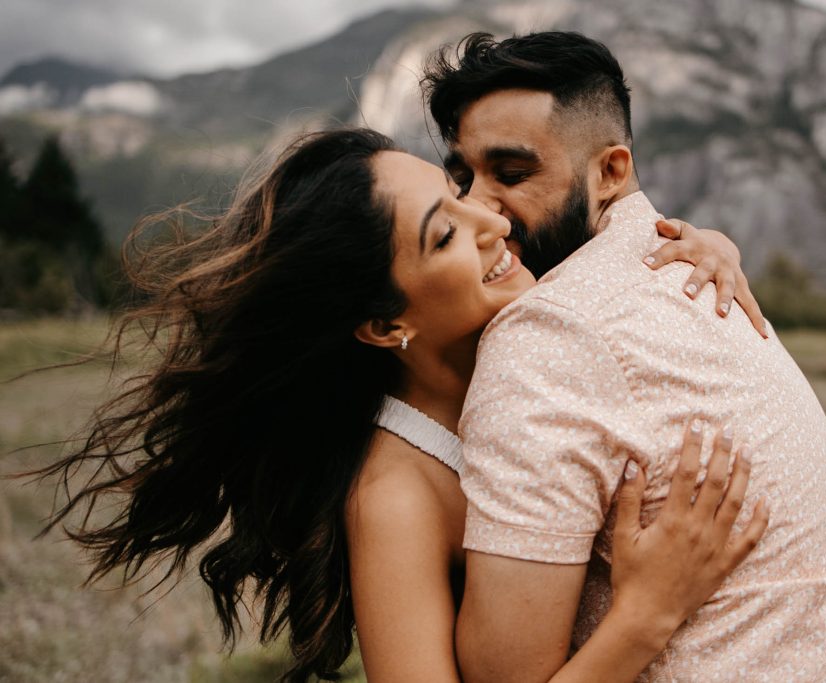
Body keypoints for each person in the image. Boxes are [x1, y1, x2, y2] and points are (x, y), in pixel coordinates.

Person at [36, 128, 769, 682]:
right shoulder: (395, 497)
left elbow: (628, 243)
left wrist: (707, 245)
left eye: (458, 195)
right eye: (445, 232)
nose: (493, 222)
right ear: (387, 325)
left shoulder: (516, 323)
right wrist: (647, 615)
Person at [421, 32, 826, 681]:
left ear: (610, 171)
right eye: (461, 178)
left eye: (511, 173)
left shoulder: (548, 333)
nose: (477, 204)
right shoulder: (692, 276)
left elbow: (504, 675)